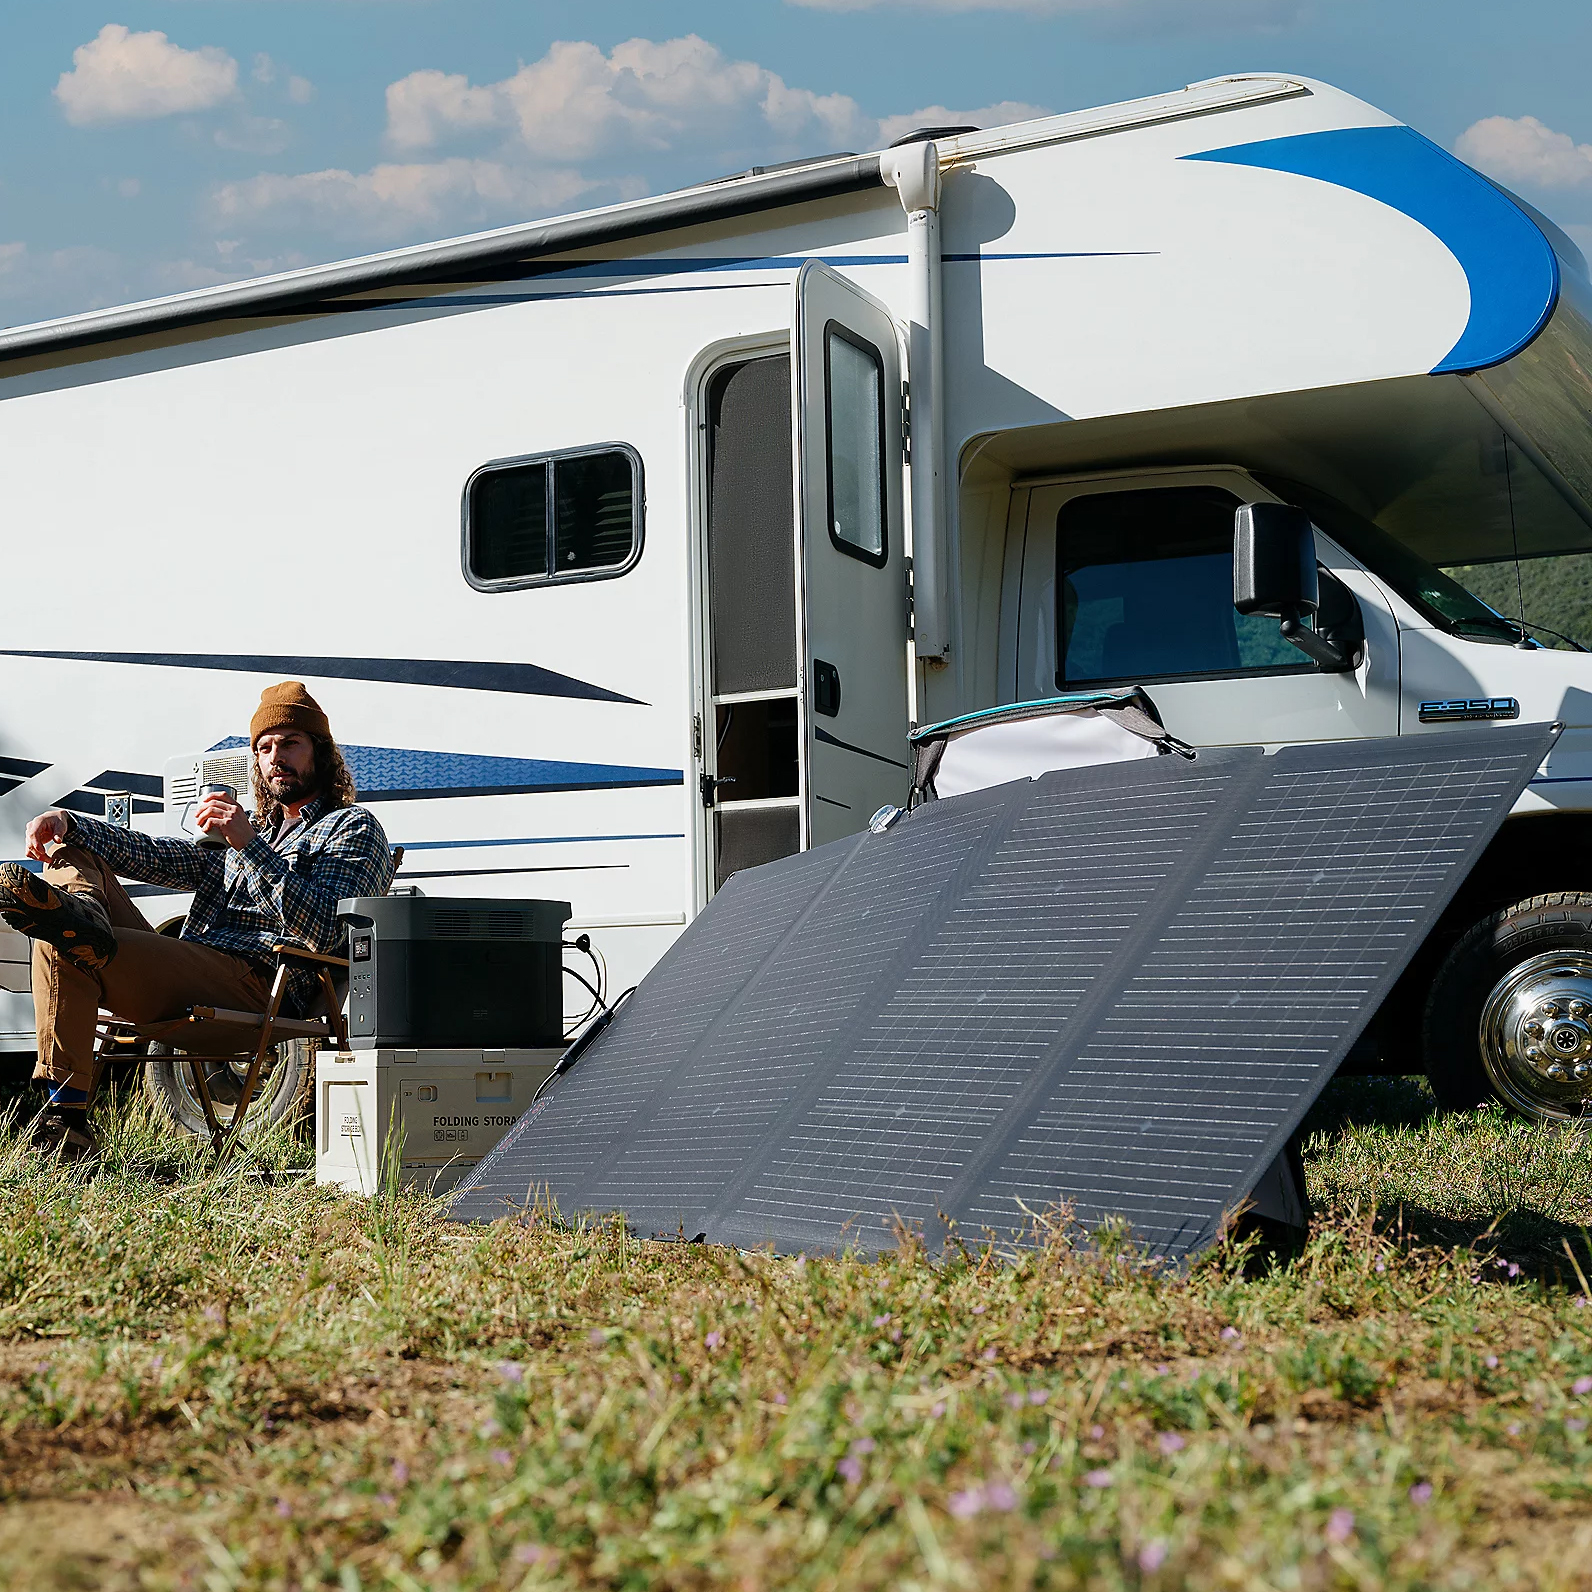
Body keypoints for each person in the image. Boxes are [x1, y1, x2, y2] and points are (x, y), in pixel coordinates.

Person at [0, 682, 395, 1159]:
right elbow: (155, 856)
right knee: (71, 862)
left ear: (322, 753)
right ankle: (83, 914)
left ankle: (66, 1120)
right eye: (264, 747)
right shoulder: (253, 827)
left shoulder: (353, 826)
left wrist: (250, 847)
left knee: (61, 938)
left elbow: (331, 935)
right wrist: (69, 820)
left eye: (291, 743)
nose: (275, 757)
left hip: (257, 982)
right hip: (193, 969)